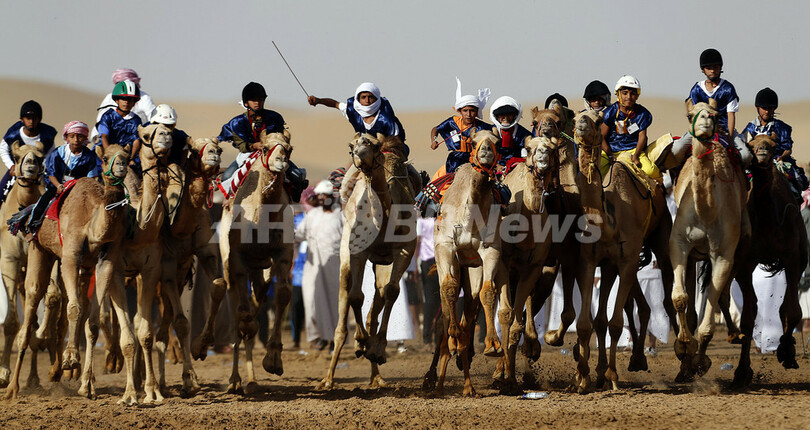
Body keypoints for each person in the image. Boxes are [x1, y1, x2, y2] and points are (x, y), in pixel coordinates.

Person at [308, 82, 411, 204]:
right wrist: (318, 101)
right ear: (358, 98)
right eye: (363, 97)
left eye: (370, 97)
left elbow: (397, 141)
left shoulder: (386, 119)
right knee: (346, 183)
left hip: (385, 156)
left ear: (376, 98)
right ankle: (346, 211)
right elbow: (335, 104)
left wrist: (398, 158)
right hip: (365, 155)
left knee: (410, 179)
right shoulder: (353, 110)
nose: (367, 100)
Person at [218, 82, 307, 201]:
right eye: (253, 100)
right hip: (247, 155)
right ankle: (230, 203)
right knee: (227, 177)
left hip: (272, 154)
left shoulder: (275, 118)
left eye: (260, 99)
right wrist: (253, 145)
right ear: (246, 103)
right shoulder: (238, 122)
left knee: (297, 175)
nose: (257, 102)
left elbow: (281, 138)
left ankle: (293, 196)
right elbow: (241, 145)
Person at [25, 121, 101, 233]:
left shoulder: (90, 157)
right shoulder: (57, 153)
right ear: (67, 138)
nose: (76, 140)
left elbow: (91, 179)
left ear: (85, 138)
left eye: (80, 136)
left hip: (79, 190)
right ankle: (32, 229)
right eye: (72, 136)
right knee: (42, 203)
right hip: (57, 186)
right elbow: (51, 174)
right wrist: (59, 186)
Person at [295, 180, 343, 351]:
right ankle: (318, 335)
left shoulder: (341, 216)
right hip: (313, 265)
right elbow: (298, 234)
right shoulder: (313, 215)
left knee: (333, 303)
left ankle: (332, 339)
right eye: (319, 195)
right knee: (312, 301)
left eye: (325, 195)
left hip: (334, 264)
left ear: (332, 197)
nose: (322, 198)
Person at [743, 87, 809, 193]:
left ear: (774, 109)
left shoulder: (781, 127)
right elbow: (745, 146)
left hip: (777, 162)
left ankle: (794, 202)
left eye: (770, 108)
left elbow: (788, 149)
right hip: (755, 163)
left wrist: (781, 157)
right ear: (757, 108)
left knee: (795, 181)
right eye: (764, 108)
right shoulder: (750, 127)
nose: (767, 111)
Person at [599, 75, 662, 183]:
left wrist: (636, 156)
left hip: (633, 150)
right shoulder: (609, 112)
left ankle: (660, 193)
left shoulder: (643, 114)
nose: (629, 96)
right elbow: (602, 137)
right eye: (625, 93)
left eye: (632, 93)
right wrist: (609, 155)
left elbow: (642, 137)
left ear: (637, 96)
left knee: (651, 171)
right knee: (595, 171)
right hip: (611, 151)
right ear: (618, 94)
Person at [0, 100, 57, 207]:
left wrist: (43, 166)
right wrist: (11, 166)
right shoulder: (13, 134)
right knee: (0, 192)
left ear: (39, 119)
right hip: (16, 168)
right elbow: (3, 150)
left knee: (52, 194)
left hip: (39, 171)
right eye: (28, 118)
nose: (31, 121)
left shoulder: (47, 135)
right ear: (22, 119)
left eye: (35, 118)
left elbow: (51, 153)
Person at [430, 77, 491, 174]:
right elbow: (435, 129)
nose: (468, 114)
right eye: (465, 111)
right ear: (460, 111)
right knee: (441, 183)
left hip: (476, 159)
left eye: (472, 111)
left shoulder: (483, 127)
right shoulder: (452, 122)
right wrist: (434, 140)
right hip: (455, 160)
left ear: (476, 112)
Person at [90, 69, 155, 140]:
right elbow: (100, 118)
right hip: (110, 135)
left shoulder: (144, 97)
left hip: (137, 134)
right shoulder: (109, 97)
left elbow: (152, 116)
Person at [688, 48, 739, 139]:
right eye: (709, 68)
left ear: (720, 68)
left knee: (745, 153)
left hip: (723, 130)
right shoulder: (697, 89)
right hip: (700, 128)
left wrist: (730, 138)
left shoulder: (728, 89)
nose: (712, 71)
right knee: (677, 148)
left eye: (715, 67)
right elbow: (694, 114)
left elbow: (731, 115)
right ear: (703, 70)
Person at [95, 80, 143, 169]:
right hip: (107, 152)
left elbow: (137, 140)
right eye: (123, 99)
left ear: (134, 103)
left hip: (127, 154)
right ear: (116, 100)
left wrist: (130, 158)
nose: (126, 102)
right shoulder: (108, 116)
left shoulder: (136, 120)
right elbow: (104, 136)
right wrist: (110, 154)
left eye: (130, 100)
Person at [489, 96, 531, 170]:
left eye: (509, 114)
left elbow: (525, 157)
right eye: (502, 115)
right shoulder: (489, 132)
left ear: (515, 116)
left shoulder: (524, 134)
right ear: (496, 116)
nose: (506, 118)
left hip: (517, 168)